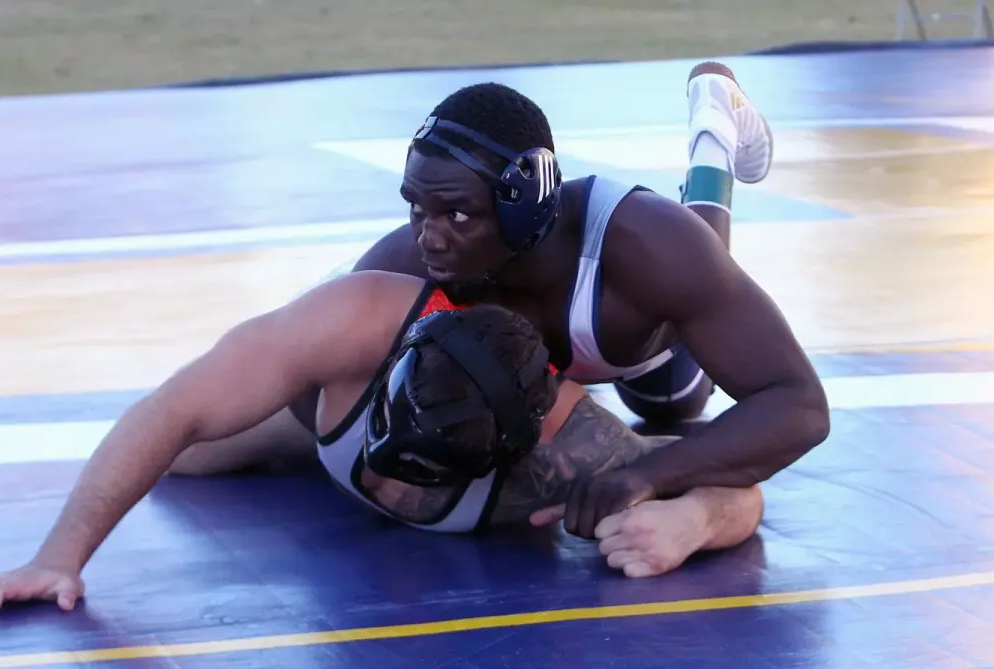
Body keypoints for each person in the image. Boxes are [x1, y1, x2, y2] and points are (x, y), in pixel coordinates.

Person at [0, 272, 764, 620]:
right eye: (390, 442)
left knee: (663, 358)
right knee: (188, 453)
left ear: (509, 452)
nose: (390, 478)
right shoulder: (350, 327)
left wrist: (691, 518)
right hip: (315, 422)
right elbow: (172, 409)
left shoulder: (565, 446)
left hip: (578, 370)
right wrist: (59, 556)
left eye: (422, 464)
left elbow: (742, 487)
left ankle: (668, 344)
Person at [343, 61, 830, 540]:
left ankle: (714, 135)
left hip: (648, 346)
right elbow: (316, 377)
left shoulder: (646, 243)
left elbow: (800, 406)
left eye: (457, 213)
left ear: (523, 203)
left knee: (678, 400)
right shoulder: (405, 264)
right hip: (571, 353)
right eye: (416, 206)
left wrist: (646, 475)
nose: (430, 238)